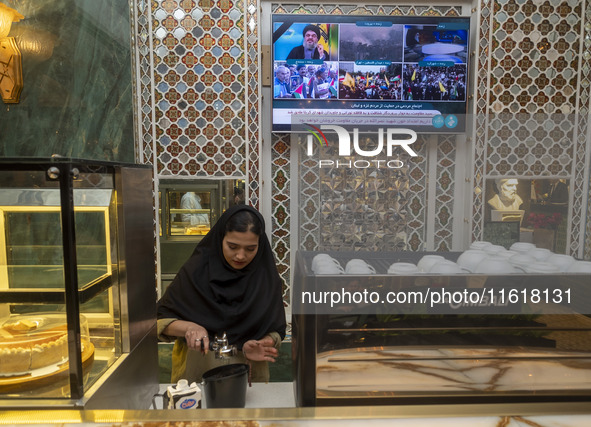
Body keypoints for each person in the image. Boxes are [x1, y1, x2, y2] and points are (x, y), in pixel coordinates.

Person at [157, 205, 287, 383]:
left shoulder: (266, 279)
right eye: (232, 246)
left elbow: (276, 329)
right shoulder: (196, 273)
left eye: (250, 249)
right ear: (220, 239)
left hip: (247, 379)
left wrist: (263, 343)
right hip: (196, 379)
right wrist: (190, 328)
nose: (240, 256)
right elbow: (159, 321)